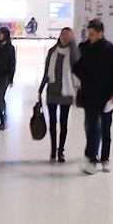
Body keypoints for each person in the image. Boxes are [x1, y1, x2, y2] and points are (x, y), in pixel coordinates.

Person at [75, 17, 113, 172]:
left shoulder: (111, 50)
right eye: (88, 33)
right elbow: (78, 69)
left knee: (105, 128)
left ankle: (105, 158)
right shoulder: (85, 49)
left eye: (92, 34)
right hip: (90, 95)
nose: (89, 36)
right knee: (91, 128)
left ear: (100, 34)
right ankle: (91, 159)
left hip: (106, 96)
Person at [41, 25, 79, 162]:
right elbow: (46, 72)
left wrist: (73, 44)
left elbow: (77, 62)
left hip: (66, 91)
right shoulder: (52, 51)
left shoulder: (73, 51)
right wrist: (40, 90)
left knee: (63, 122)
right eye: (63, 34)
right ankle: (52, 149)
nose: (64, 37)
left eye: (68, 35)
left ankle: (60, 150)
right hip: (52, 90)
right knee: (52, 122)